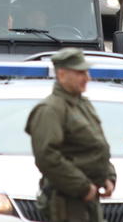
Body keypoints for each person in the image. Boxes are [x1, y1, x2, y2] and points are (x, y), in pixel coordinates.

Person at [25, 48, 115, 222]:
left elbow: (97, 146)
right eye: (80, 73)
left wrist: (108, 176)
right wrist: (82, 187)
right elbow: (47, 157)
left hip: (87, 198)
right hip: (66, 201)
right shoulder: (50, 109)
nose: (87, 78)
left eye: (86, 72)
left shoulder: (82, 105)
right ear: (62, 74)